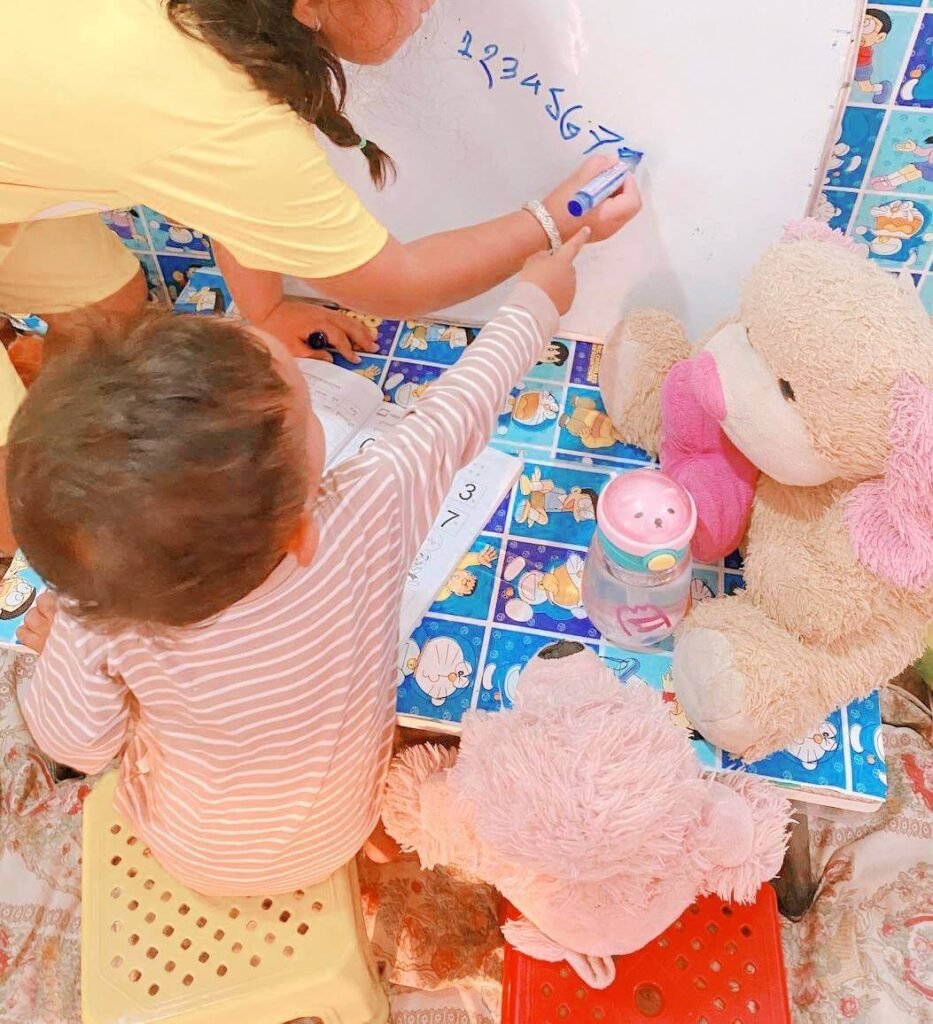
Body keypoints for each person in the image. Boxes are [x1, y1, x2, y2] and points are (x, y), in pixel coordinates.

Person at [8, 228, 604, 895]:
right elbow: (461, 405)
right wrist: (535, 301)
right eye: (309, 403)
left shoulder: (106, 618)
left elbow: (74, 747)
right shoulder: (363, 506)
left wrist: (56, 641)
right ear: (300, 533)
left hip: (194, 854)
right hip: (340, 827)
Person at [2, 0, 641, 366]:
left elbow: (230, 197)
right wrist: (558, 218)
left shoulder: (219, 47)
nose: (430, 4)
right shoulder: (221, 112)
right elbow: (396, 282)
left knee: (109, 308)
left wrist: (269, 309)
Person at [854, 9, 892, 105]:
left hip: (862, 68)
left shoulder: (865, 50)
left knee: (865, 88)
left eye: (868, 26)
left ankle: (881, 87)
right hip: (856, 66)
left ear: (880, 37)